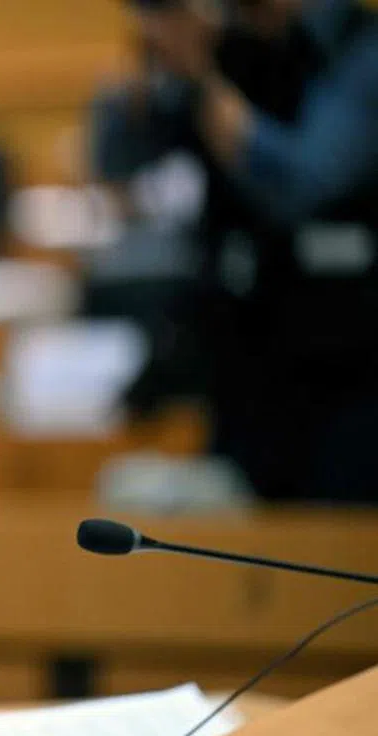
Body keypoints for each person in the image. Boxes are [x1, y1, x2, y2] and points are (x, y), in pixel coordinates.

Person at [91, 0, 378, 503]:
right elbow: (120, 170)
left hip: (350, 362)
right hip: (251, 355)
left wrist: (205, 85)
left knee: (332, 527)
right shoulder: (230, 47)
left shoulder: (355, 49)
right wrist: (157, 70)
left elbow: (306, 184)